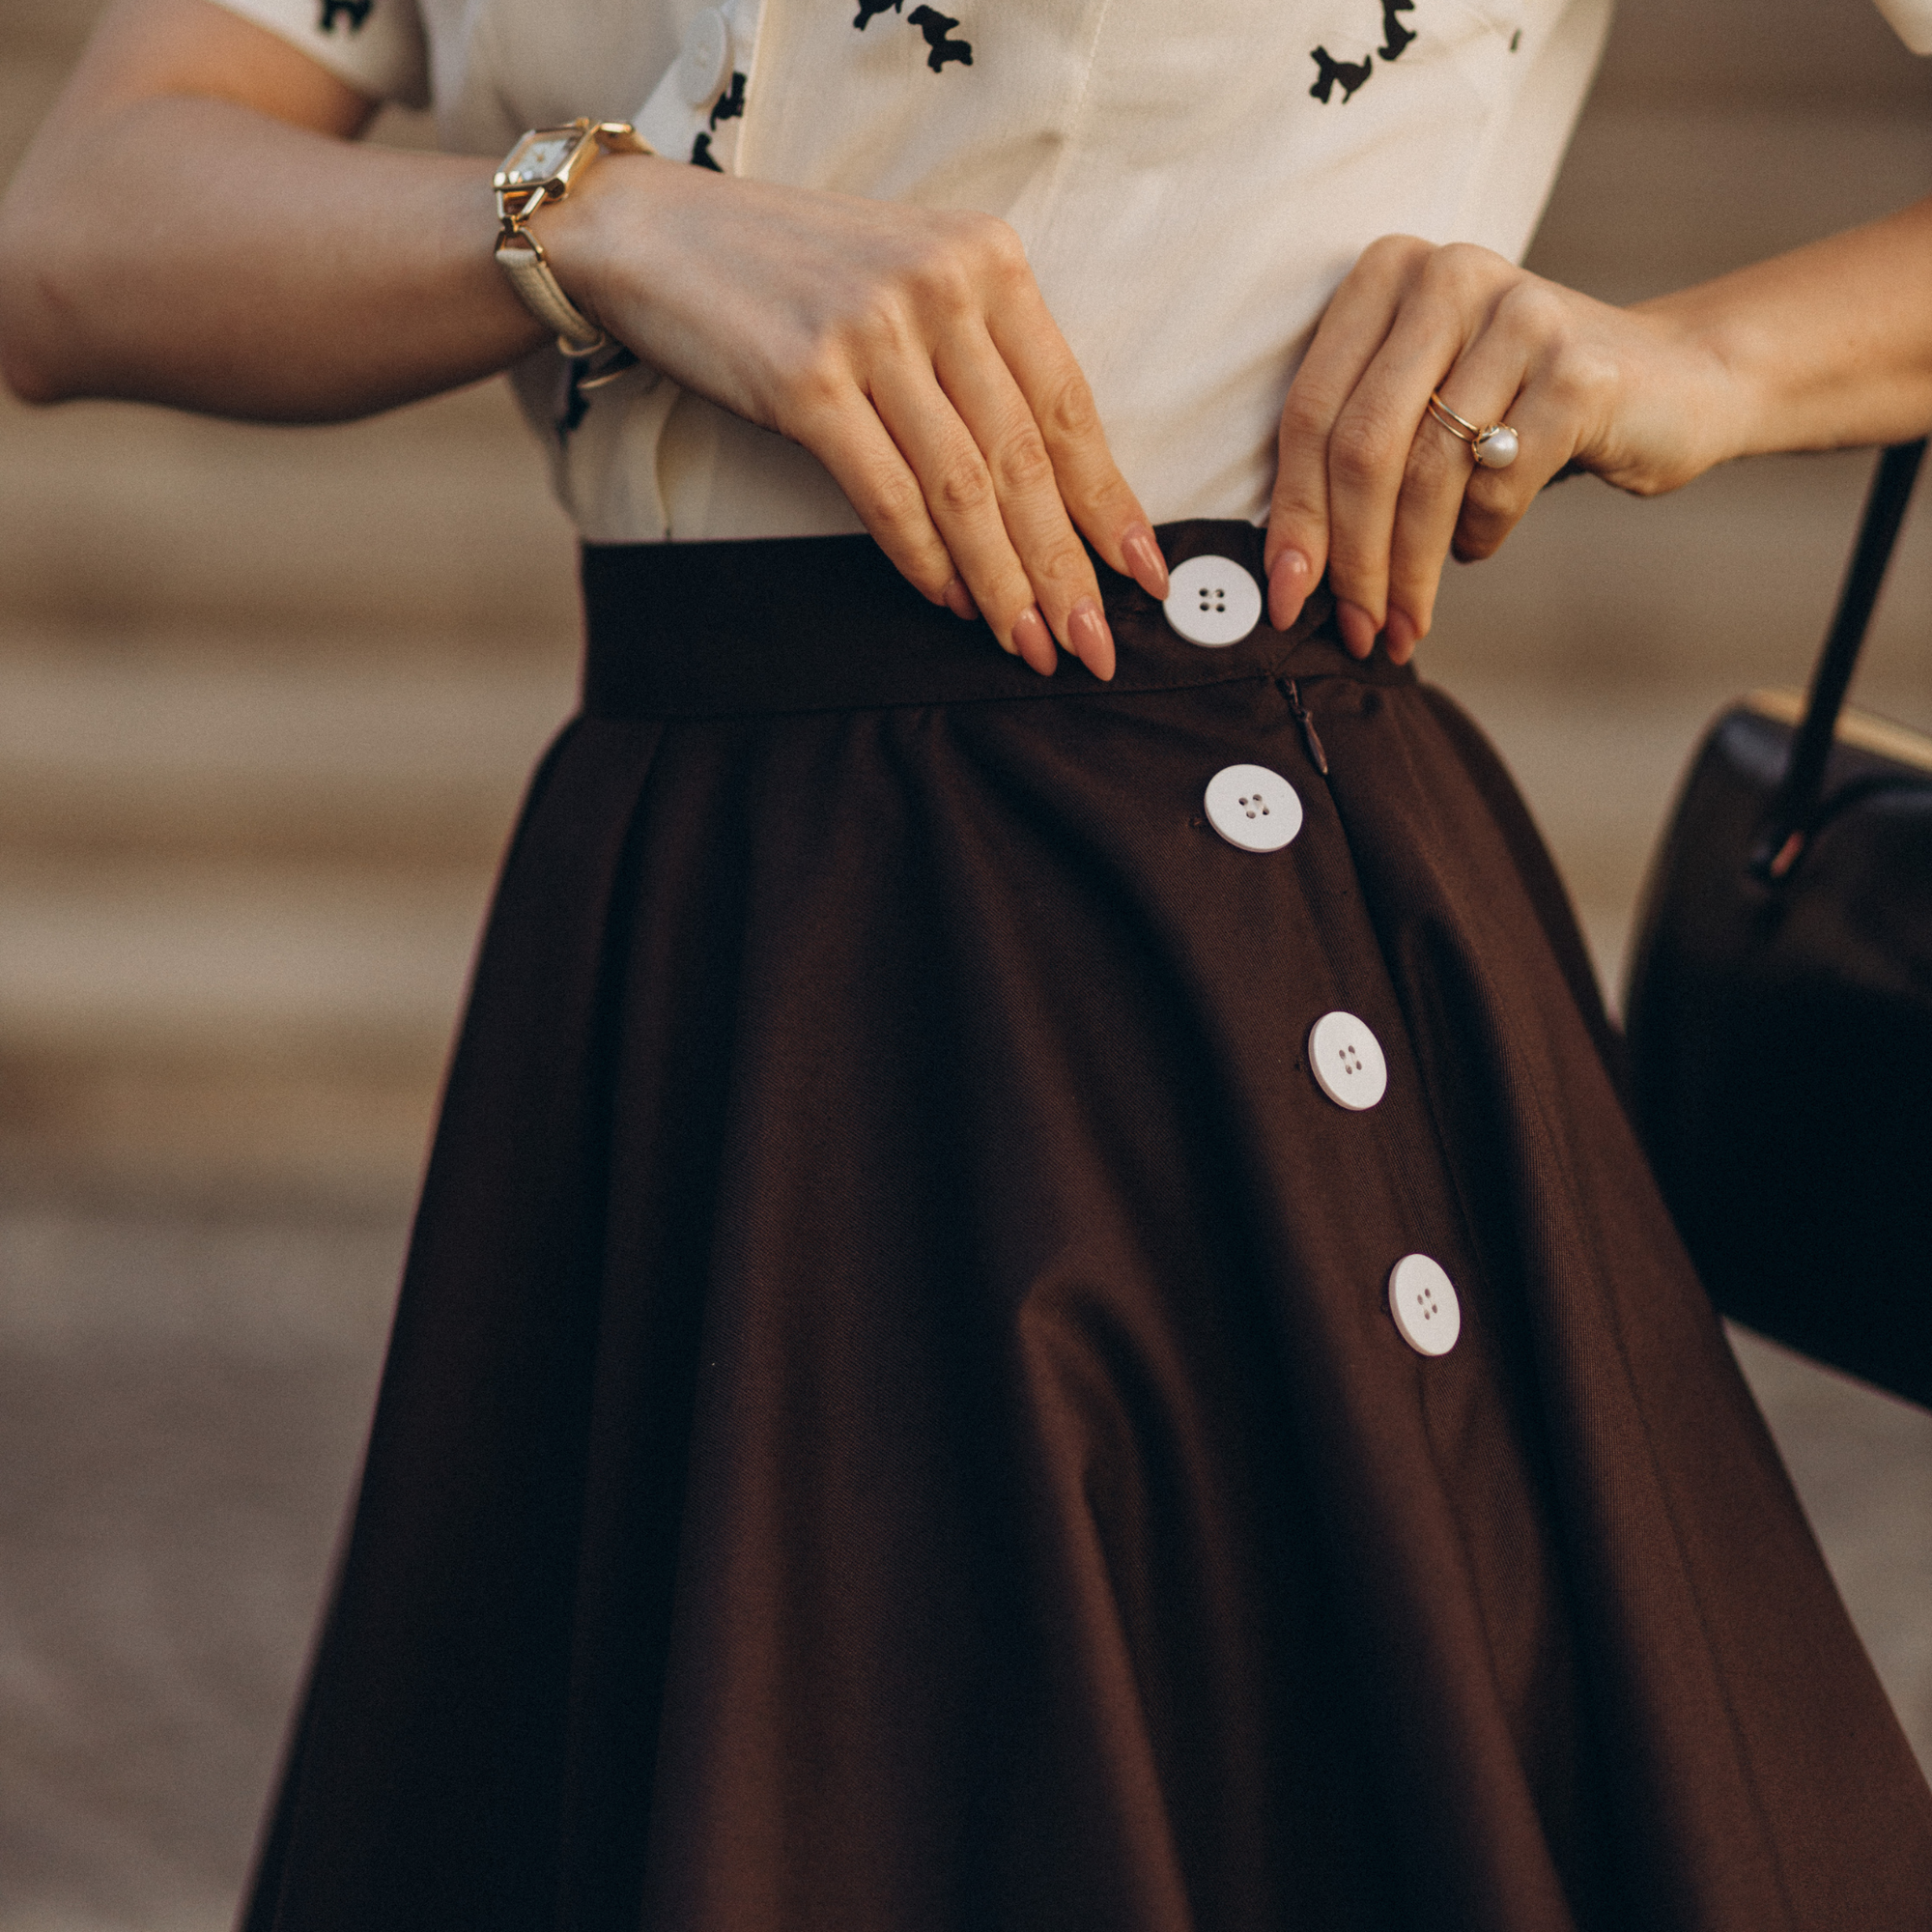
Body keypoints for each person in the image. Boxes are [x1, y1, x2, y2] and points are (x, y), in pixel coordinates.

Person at [4, 1, 1932, 1925]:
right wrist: (592, 225)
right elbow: (82, 229)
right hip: (706, 969)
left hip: (1231, 963)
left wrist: (1704, 359)